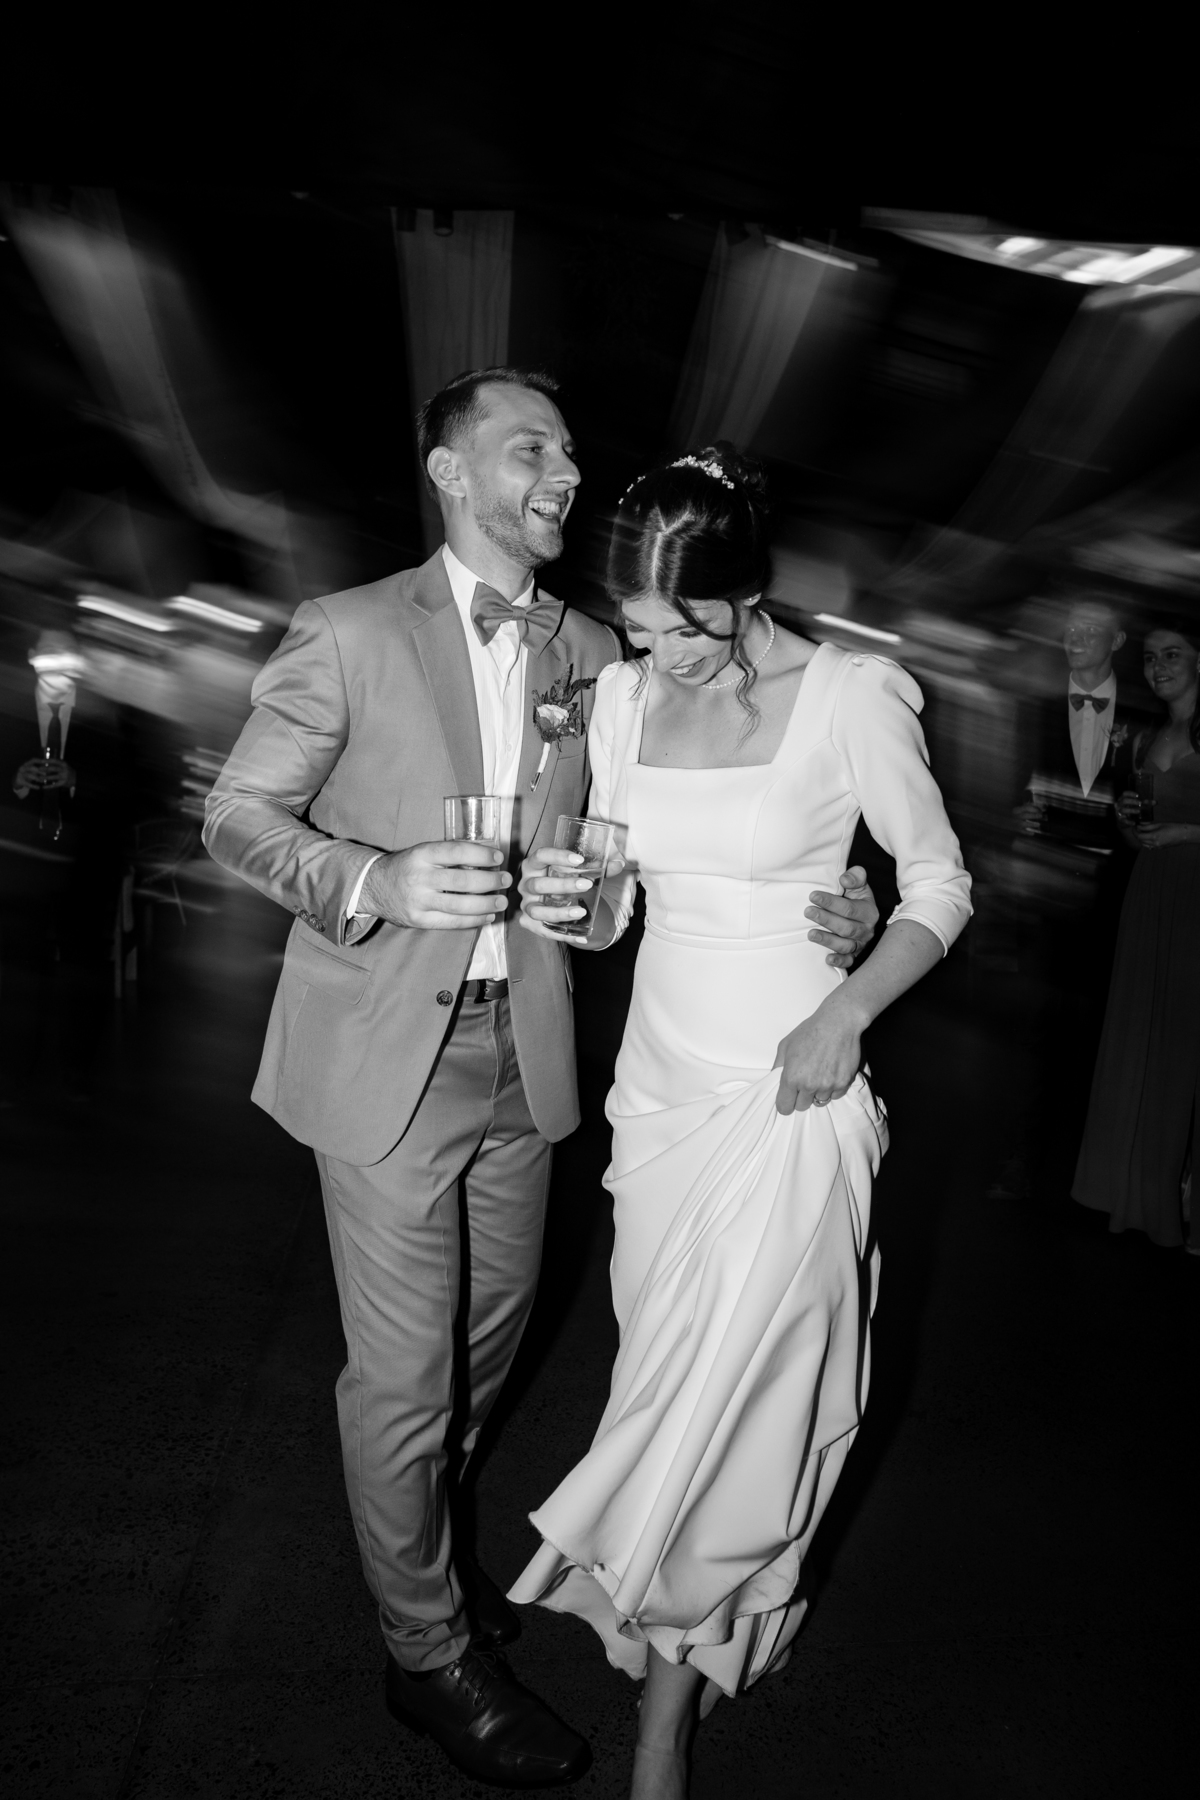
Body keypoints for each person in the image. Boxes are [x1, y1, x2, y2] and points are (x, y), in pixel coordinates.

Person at [202, 376, 879, 1790]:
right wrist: (371, 875)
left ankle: (423, 1556)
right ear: (453, 471)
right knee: (400, 1381)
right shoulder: (347, 631)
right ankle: (426, 1652)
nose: (567, 470)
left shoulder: (598, 651)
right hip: (387, 1057)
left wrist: (837, 902)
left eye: (572, 447)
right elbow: (239, 815)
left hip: (540, 1062)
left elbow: (681, 826)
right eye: (533, 448)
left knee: (480, 1364)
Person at [510, 446, 972, 1800]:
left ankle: (662, 1735)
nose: (662, 654)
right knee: (659, 1384)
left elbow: (938, 885)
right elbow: (615, 903)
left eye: (683, 627)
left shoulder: (852, 696)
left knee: (747, 1405)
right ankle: (665, 1625)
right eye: (640, 631)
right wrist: (571, 901)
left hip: (794, 1095)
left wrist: (850, 1010)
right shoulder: (620, 694)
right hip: (661, 1094)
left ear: (747, 590)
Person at [995, 594, 1137, 1197]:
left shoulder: (1148, 717)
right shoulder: (1035, 711)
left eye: (1093, 627)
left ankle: (1096, 1170)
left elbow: (1147, 805)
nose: (1077, 635)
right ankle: (1024, 1160)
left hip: (1116, 901)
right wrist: (1016, 815)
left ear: (1118, 641)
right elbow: (1015, 791)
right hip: (1045, 899)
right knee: (1035, 1036)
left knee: (1103, 1036)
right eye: (1072, 626)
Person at [1074, 617, 1200, 1251]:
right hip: (1151, 896)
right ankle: (1138, 1191)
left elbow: (1182, 827)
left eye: (1173, 654)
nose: (1159, 667)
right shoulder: (1152, 734)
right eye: (1152, 658)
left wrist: (1187, 835)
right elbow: (1140, 833)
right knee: (1146, 1041)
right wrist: (1129, 823)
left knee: (1185, 1046)